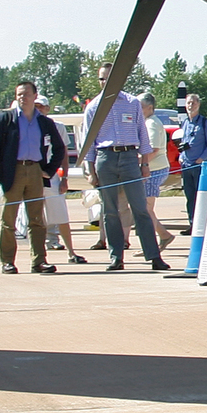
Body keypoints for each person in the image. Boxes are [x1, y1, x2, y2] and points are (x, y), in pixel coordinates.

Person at [83, 62, 172, 271]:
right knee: (110, 210)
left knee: (140, 208)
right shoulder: (93, 107)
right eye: (101, 78)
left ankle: (154, 256)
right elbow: (88, 141)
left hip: (130, 156)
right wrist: (90, 170)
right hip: (106, 158)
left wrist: (144, 164)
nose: (105, 82)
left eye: (109, 77)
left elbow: (142, 134)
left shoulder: (132, 103)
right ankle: (116, 257)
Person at [0, 80, 69, 274]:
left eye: (26, 94)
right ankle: (7, 261)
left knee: (37, 219)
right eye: (19, 94)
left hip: (35, 170)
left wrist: (48, 170)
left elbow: (59, 148)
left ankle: (39, 260)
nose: (22, 98)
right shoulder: (5, 119)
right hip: (12, 171)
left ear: (35, 96)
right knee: (9, 219)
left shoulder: (44, 122)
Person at [137, 92, 175, 252]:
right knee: (145, 209)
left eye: (140, 107)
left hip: (154, 169)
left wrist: (139, 162)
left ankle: (153, 243)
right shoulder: (149, 122)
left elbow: (153, 148)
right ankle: (162, 236)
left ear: (149, 107)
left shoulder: (151, 123)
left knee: (146, 209)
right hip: (154, 168)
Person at [176, 92, 207, 231]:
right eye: (188, 103)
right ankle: (192, 224)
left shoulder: (205, 123)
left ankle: (203, 224)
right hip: (186, 166)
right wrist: (181, 156)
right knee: (189, 196)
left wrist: (201, 159)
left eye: (193, 103)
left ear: (198, 104)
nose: (191, 106)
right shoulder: (185, 123)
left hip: (199, 166)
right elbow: (183, 142)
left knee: (201, 196)